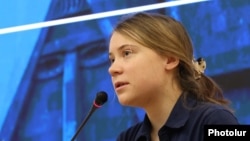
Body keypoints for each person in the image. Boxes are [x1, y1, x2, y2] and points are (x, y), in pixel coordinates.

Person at [108, 12, 239, 141]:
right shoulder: (127, 137)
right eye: (112, 59)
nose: (112, 69)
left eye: (126, 53)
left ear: (170, 59)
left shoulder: (217, 120)